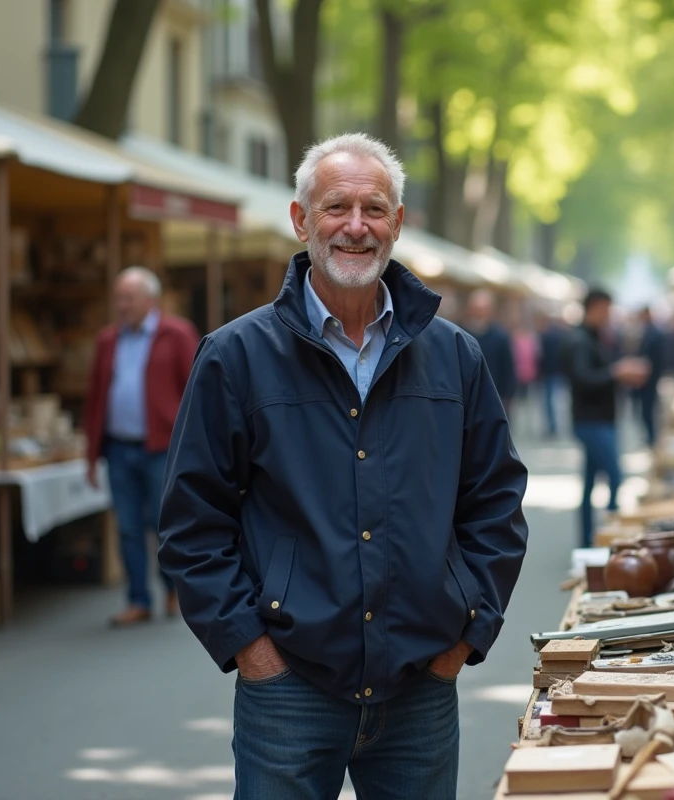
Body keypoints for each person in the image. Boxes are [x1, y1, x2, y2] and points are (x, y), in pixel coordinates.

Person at [157, 132, 529, 800]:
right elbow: (192, 521)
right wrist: (251, 649)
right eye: (336, 208)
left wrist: (462, 641)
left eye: (374, 209)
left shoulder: (454, 357)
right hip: (289, 690)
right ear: (301, 221)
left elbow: (497, 505)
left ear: (398, 224)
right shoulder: (234, 357)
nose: (355, 227)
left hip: (420, 686)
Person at [83, 266, 199, 626]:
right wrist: (90, 454)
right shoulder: (107, 340)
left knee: (165, 523)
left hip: (163, 447)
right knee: (128, 526)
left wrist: (195, 448)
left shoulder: (177, 334)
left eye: (128, 298)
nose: (121, 305)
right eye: (118, 298)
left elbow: (197, 391)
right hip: (119, 447)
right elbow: (95, 397)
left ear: (151, 300)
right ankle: (138, 600)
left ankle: (171, 590)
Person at [565, 288, 649, 547]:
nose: (609, 315)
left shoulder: (594, 337)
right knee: (614, 476)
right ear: (596, 307)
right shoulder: (579, 340)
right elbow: (583, 379)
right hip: (591, 421)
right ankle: (610, 536)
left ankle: (589, 539)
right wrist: (617, 373)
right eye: (606, 310)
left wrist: (620, 372)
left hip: (598, 419)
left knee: (591, 481)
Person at [463, 288, 517, 415]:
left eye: (483, 309)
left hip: (495, 396)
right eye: (476, 308)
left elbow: (508, 369)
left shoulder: (500, 336)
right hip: (467, 397)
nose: (479, 312)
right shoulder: (461, 334)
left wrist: (508, 398)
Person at [634, 306, 665, 446]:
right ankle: (650, 436)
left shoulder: (654, 333)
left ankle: (652, 437)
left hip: (649, 379)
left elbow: (656, 358)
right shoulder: (649, 332)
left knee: (648, 410)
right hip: (647, 378)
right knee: (646, 410)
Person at [537, 314, 565, 437]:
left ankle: (552, 427)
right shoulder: (557, 336)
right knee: (551, 400)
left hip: (548, 372)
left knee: (549, 401)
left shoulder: (546, 337)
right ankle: (552, 427)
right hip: (554, 371)